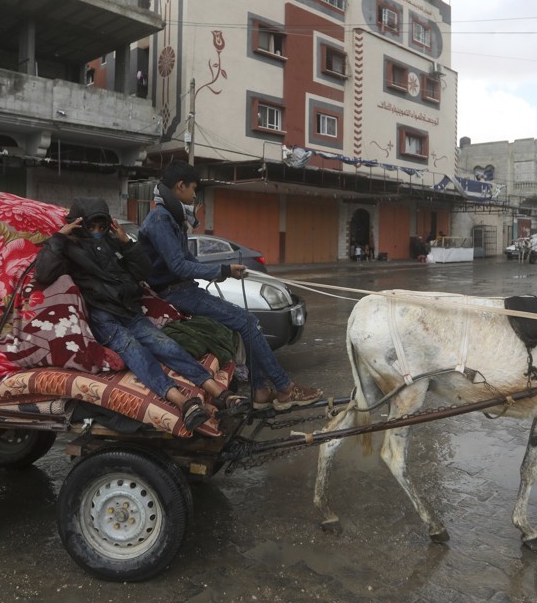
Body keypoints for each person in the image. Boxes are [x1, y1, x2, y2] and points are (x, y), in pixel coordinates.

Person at [33, 197, 248, 431]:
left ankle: (219, 393)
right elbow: (43, 274)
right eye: (90, 226)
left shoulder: (113, 243)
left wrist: (127, 244)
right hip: (103, 316)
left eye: (101, 226)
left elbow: (143, 271)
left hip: (130, 309)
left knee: (165, 345)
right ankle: (183, 402)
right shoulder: (67, 248)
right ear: (78, 224)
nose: (96, 231)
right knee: (133, 350)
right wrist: (58, 237)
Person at [139, 161, 324, 410]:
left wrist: (225, 272)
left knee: (248, 323)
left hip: (184, 288)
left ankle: (260, 389)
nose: (195, 196)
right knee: (248, 322)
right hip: (175, 292)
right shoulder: (161, 219)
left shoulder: (170, 216)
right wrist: (222, 270)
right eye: (193, 189)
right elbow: (179, 267)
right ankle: (284, 388)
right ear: (180, 186)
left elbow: (188, 260)